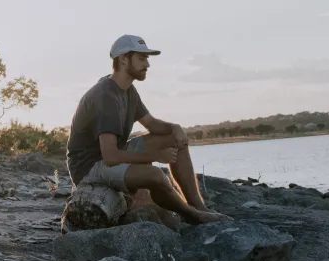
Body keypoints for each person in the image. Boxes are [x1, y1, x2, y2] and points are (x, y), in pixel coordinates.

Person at [66, 34, 232, 225]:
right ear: (123, 59)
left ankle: (198, 206)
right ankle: (192, 215)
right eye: (142, 58)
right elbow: (110, 156)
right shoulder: (106, 95)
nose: (148, 65)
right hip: (90, 167)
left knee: (172, 137)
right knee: (155, 175)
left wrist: (175, 128)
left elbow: (151, 124)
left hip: (109, 156)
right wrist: (156, 157)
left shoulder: (128, 90)